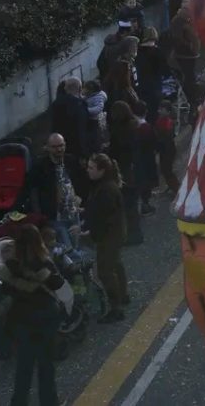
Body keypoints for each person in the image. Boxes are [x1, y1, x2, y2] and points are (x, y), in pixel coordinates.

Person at [0, 224, 62, 406]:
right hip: (45, 317)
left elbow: (6, 288)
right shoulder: (44, 263)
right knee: (46, 366)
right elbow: (57, 283)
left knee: (24, 366)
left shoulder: (12, 265)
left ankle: (19, 402)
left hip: (22, 319)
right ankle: (49, 402)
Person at [84, 154, 128, 323]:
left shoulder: (106, 190)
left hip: (109, 236)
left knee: (105, 271)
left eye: (91, 168)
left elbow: (102, 217)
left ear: (101, 170)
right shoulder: (106, 186)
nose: (88, 170)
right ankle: (123, 295)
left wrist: (89, 232)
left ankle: (115, 308)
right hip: (115, 233)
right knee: (116, 263)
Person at [16, 133, 88, 221]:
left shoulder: (72, 161)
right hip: (53, 217)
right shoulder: (40, 167)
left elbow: (84, 183)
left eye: (61, 145)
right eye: (54, 147)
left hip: (75, 212)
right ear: (47, 148)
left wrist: (80, 197)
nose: (59, 149)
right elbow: (28, 188)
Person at [108, 101, 143, 246]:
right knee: (132, 205)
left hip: (124, 170)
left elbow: (115, 151)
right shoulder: (134, 126)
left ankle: (129, 235)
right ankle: (135, 234)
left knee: (127, 205)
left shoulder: (119, 131)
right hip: (135, 169)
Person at [49, 77, 88, 159]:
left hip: (61, 145)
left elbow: (53, 125)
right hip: (77, 147)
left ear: (65, 88)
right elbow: (81, 128)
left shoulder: (55, 104)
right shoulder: (79, 104)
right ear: (80, 88)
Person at [135, 27, 167, 123]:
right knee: (154, 112)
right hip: (155, 86)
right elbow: (164, 70)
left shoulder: (137, 51)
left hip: (141, 84)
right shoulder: (158, 52)